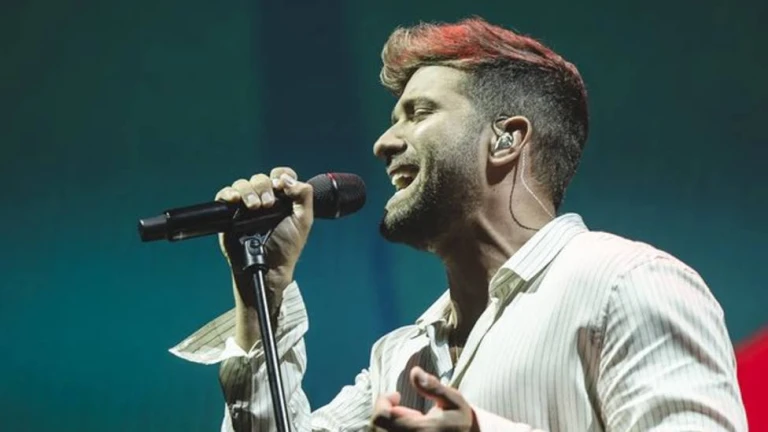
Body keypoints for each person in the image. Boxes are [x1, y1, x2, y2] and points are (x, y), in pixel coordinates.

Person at [170, 17, 747, 431]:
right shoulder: (399, 359)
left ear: (506, 140)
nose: (383, 142)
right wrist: (262, 298)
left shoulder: (626, 285)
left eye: (418, 113)